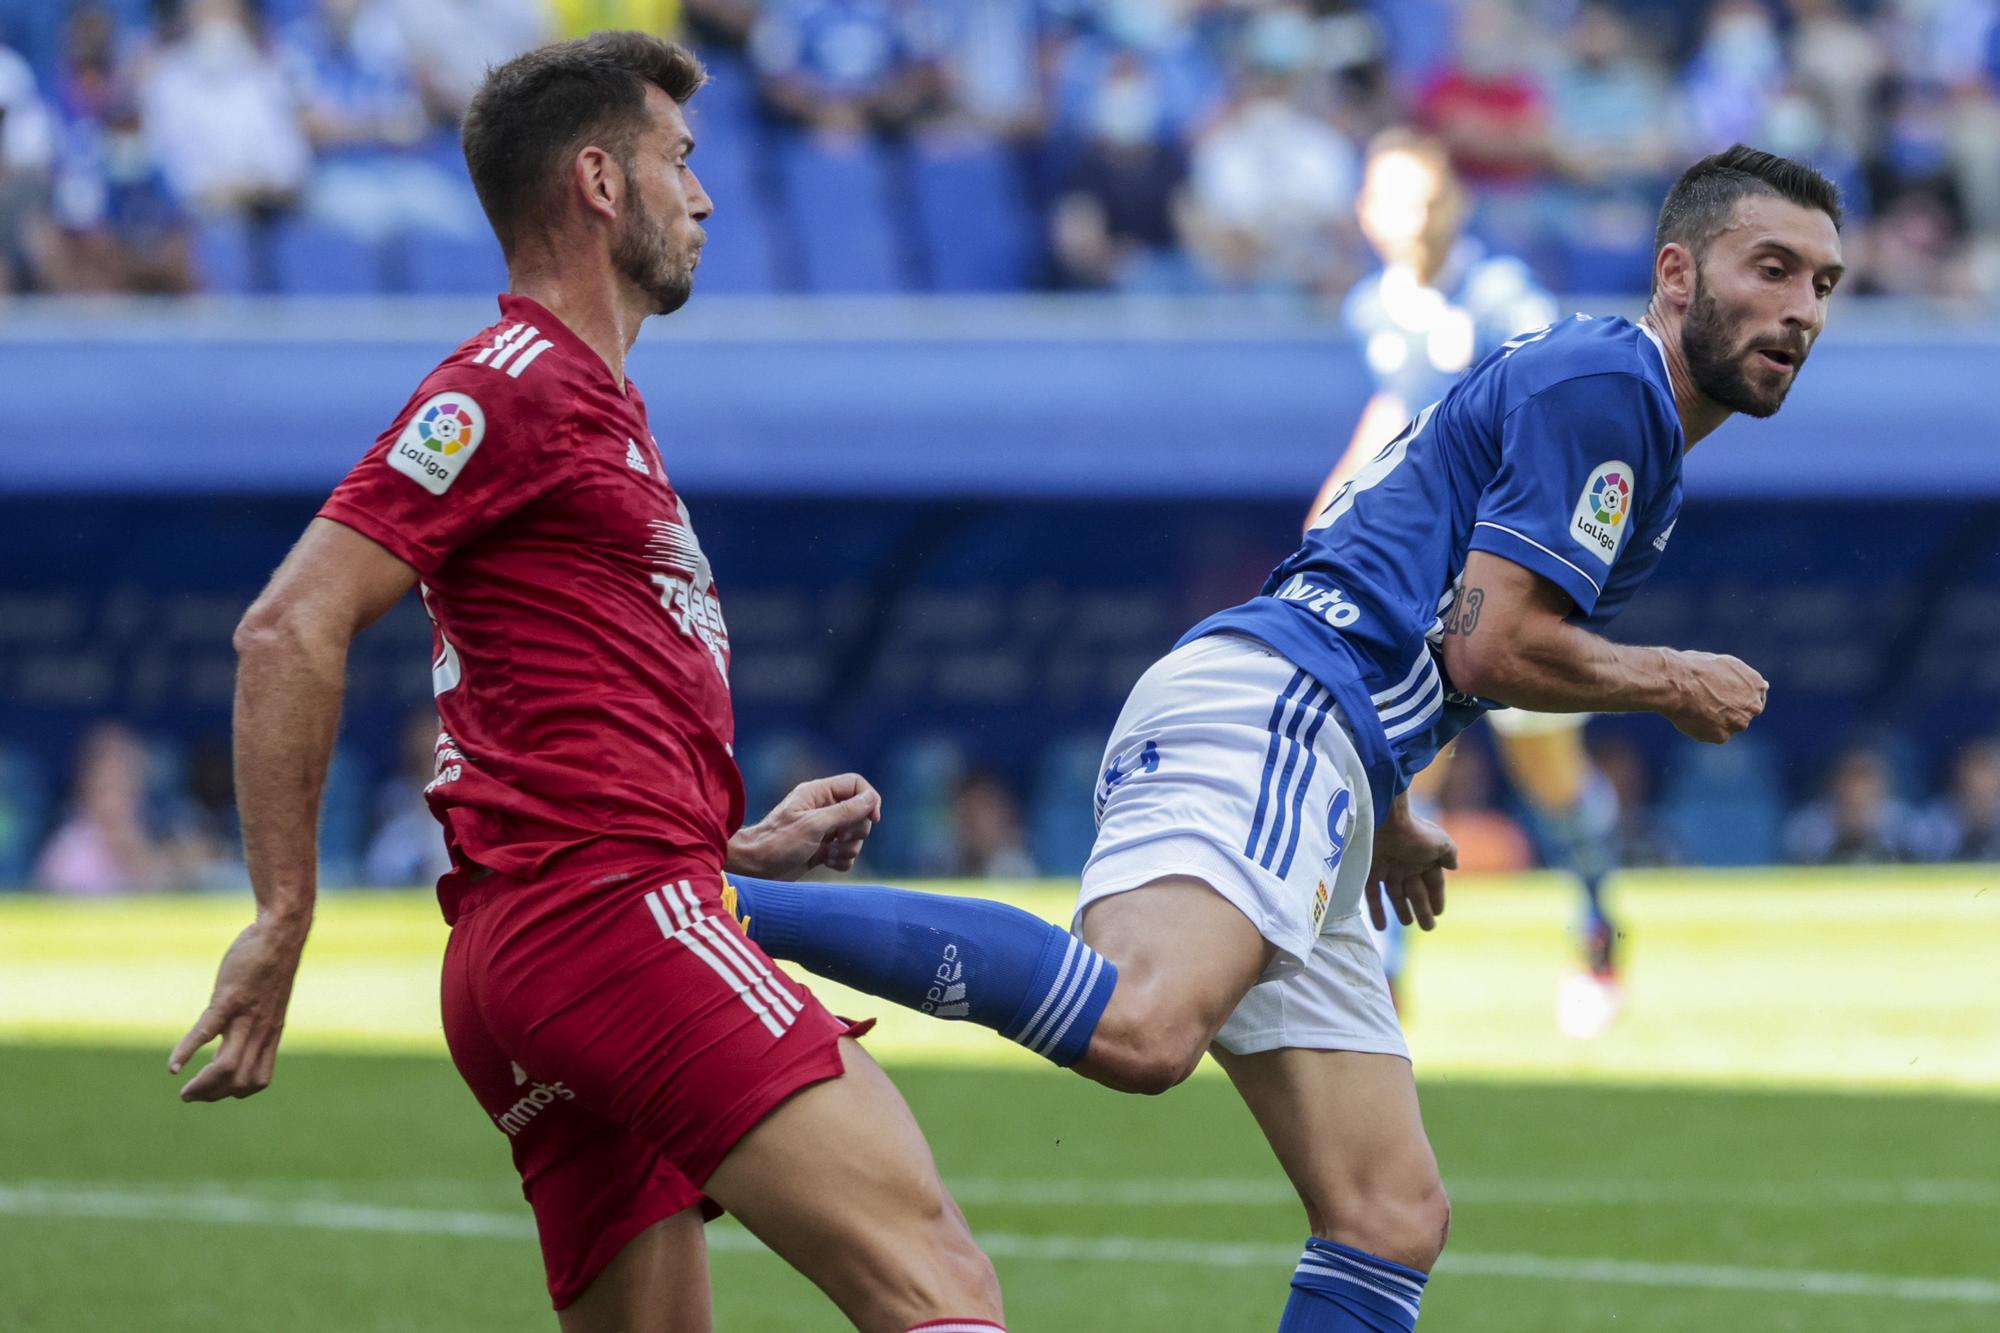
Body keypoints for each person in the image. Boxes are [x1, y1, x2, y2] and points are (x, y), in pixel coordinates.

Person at [725, 142, 1842, 1330]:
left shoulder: (1609, 409)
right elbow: (1488, 647)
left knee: (1387, 1210)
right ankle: (714, 908)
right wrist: (1668, 677)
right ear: (1674, 273)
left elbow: (1394, 588)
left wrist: (1390, 807)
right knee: (1143, 1021)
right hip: (1277, 713)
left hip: (1325, 740)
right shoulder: (1609, 384)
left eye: (1822, 283)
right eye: (1767, 268)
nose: (1797, 308)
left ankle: (709, 909)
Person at [169, 33, 1004, 1333]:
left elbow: (555, 712)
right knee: (936, 1280)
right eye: (680, 160)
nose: (708, 196)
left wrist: (725, 849)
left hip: (559, 925)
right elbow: (287, 626)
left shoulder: (597, 406)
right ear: (601, 181)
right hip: (607, 922)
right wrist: (283, 914)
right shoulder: (512, 387)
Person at [1314, 128, 1630, 1036]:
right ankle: (1382, 986)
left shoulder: (1500, 298)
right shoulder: (1376, 304)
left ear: (1455, 205)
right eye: (1392, 202)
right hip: (1424, 583)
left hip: (1516, 573)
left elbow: (1556, 406)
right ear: (1368, 214)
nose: (1410, 221)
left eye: (1427, 201)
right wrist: (1342, 490)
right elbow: (1398, 405)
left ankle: (1601, 923)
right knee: (1405, 775)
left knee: (1549, 775)